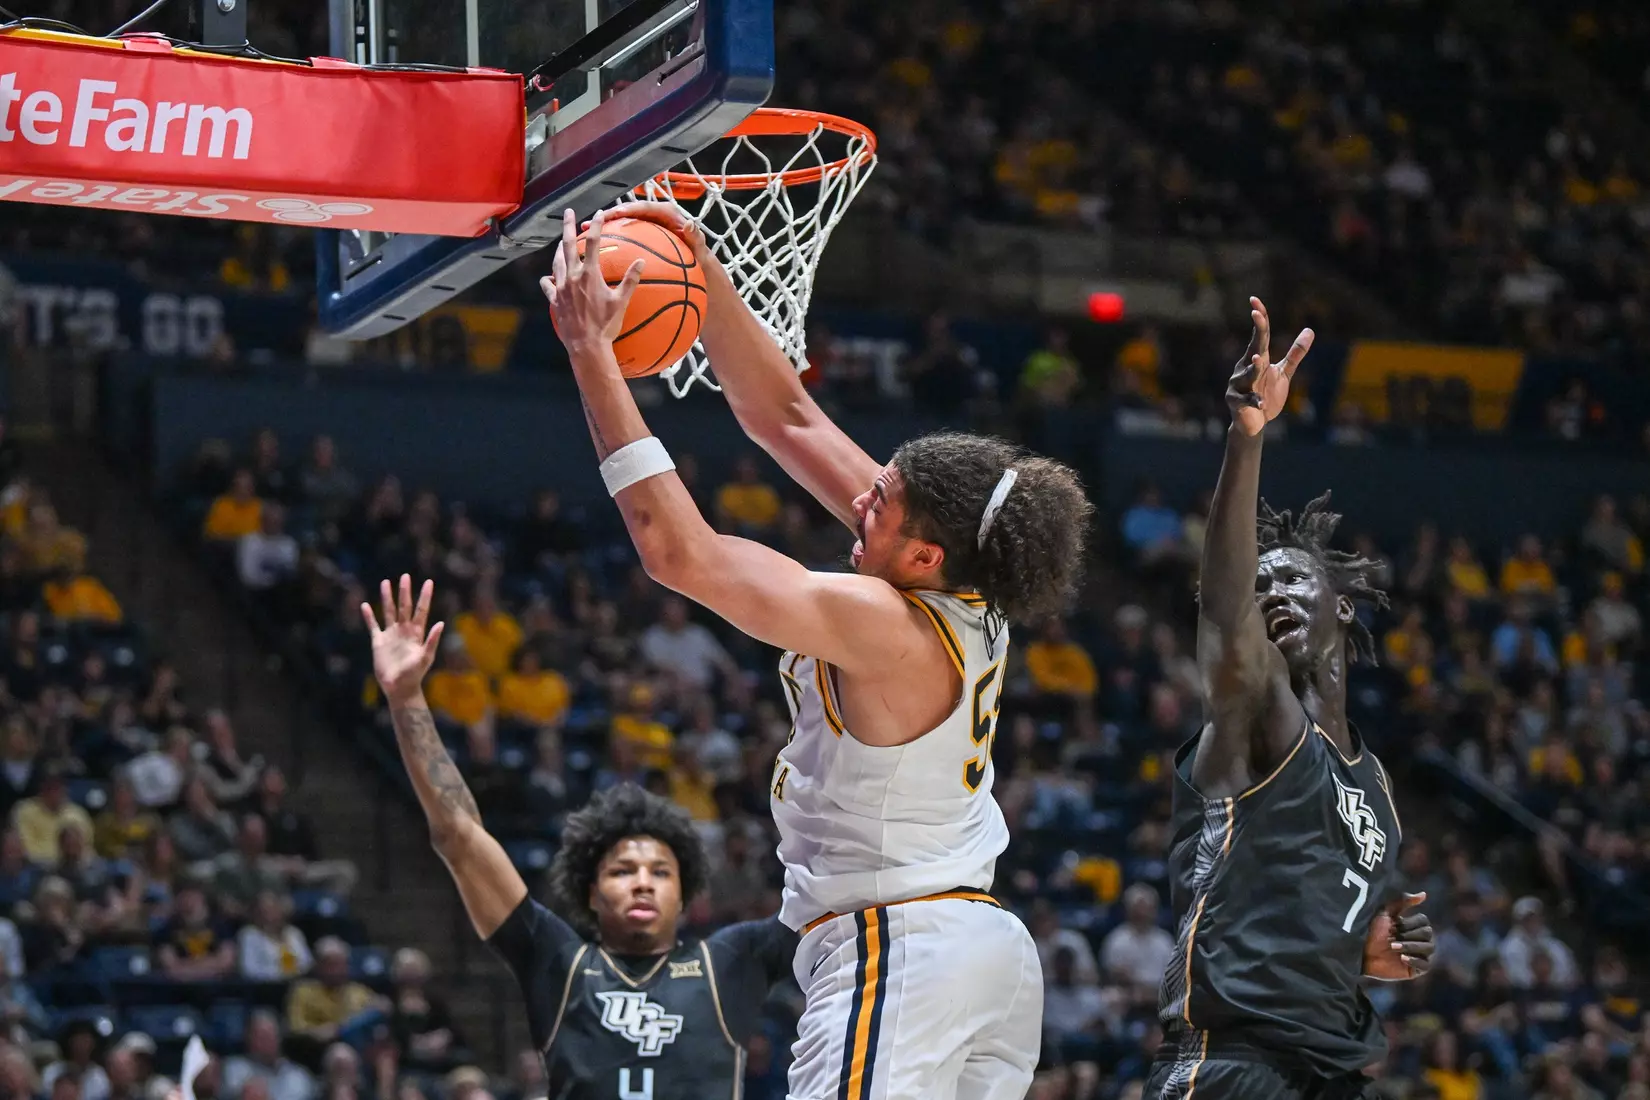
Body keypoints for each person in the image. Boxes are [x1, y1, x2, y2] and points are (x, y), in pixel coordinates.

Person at [549, 204, 1093, 1099]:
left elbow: (679, 553)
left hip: (903, 946)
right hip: (977, 950)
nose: (861, 496)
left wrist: (591, 353)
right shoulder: (960, 577)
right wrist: (700, 267)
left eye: (881, 502)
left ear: (923, 554)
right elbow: (788, 416)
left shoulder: (886, 622)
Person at [1146, 299, 1436, 1100]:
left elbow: (1363, 932)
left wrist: (1392, 942)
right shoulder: (1258, 716)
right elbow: (1222, 606)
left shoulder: (1375, 783)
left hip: (1334, 1065)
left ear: (1341, 604)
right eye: (1261, 578)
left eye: (1292, 577)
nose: (1270, 590)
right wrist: (1247, 437)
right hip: (1234, 1059)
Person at [361, 578, 797, 1100]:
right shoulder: (559, 962)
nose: (642, 883)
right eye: (621, 871)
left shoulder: (730, 959)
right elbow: (458, 836)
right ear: (591, 892)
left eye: (660, 872)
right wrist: (408, 697)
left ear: (683, 895)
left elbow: (840, 899)